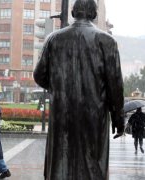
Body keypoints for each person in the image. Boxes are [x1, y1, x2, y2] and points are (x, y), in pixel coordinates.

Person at [33, 0, 124, 179]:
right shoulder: (107, 41)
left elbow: (39, 75)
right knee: (92, 164)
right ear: (94, 13)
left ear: (73, 12)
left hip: (62, 114)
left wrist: (59, 89)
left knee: (61, 160)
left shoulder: (53, 39)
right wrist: (118, 119)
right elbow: (115, 86)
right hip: (94, 115)